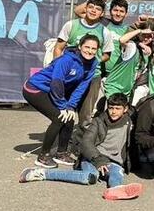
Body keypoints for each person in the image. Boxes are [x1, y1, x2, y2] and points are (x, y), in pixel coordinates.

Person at [19, 93, 144, 201]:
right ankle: (40, 173)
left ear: (125, 109)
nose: (114, 111)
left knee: (116, 174)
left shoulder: (130, 120)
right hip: (92, 158)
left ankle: (115, 190)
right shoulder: (99, 121)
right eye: (111, 108)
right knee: (89, 177)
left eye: (118, 108)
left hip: (114, 161)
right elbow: (86, 143)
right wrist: (98, 160)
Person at [23, 34, 100, 168]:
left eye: (93, 48)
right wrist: (62, 105)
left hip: (53, 91)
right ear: (80, 47)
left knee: (69, 117)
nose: (90, 51)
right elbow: (56, 83)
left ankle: (61, 153)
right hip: (34, 88)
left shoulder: (93, 63)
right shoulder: (66, 60)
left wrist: (70, 106)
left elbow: (82, 86)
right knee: (59, 117)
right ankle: (43, 156)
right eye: (87, 47)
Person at [54, 0, 114, 124]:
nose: (93, 11)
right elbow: (58, 48)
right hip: (69, 75)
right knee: (62, 110)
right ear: (85, 8)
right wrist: (57, 68)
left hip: (92, 76)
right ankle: (62, 141)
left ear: (102, 13)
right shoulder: (71, 25)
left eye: (98, 9)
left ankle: (80, 142)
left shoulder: (105, 32)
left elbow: (107, 55)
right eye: (91, 7)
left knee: (85, 115)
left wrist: (95, 60)